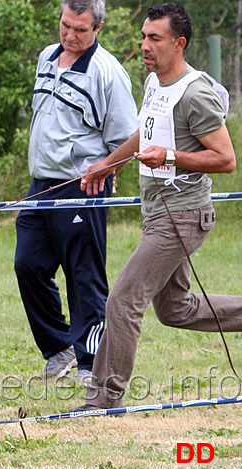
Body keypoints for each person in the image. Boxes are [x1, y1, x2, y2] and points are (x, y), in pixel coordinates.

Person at [73, 2, 241, 411]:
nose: (145, 45)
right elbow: (144, 132)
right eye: (144, 36)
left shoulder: (196, 93)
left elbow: (225, 159)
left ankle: (102, 400)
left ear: (179, 43)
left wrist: (169, 156)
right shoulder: (154, 82)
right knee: (176, 310)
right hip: (158, 214)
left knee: (123, 299)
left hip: (182, 216)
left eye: (155, 38)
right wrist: (108, 163)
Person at [15, 0, 138, 383]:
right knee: (28, 265)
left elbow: (131, 140)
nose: (69, 35)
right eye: (65, 25)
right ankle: (58, 347)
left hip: (80, 189)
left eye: (80, 29)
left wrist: (107, 168)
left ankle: (91, 364)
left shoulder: (108, 73)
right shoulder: (46, 58)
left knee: (84, 277)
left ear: (97, 28)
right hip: (40, 186)